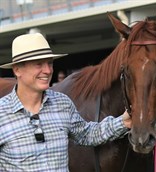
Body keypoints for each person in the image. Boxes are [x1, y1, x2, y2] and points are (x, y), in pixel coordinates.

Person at [0, 33, 131, 171]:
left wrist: (123, 122)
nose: (48, 70)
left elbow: (87, 134)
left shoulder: (62, 103)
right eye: (38, 64)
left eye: (49, 63)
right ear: (17, 69)